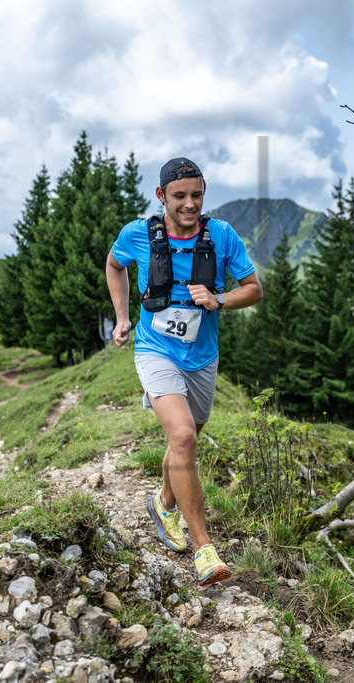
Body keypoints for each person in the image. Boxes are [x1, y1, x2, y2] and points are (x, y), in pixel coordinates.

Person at [106, 157, 263, 586]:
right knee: (183, 436)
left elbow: (254, 289)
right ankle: (204, 550)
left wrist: (219, 300)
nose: (190, 204)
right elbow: (114, 265)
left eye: (197, 195)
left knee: (185, 440)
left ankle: (162, 504)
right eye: (180, 196)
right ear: (162, 197)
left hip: (202, 357)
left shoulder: (223, 237)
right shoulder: (138, 234)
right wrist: (122, 317)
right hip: (155, 349)